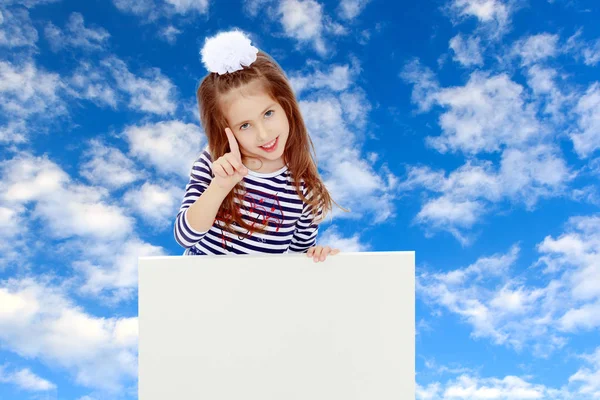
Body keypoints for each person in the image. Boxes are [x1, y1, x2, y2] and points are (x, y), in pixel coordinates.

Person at [174, 29, 348, 263]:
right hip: (201, 289)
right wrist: (221, 185)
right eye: (245, 125)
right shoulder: (214, 161)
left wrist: (315, 256)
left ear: (286, 106)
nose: (263, 134)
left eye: (268, 113)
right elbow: (185, 236)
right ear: (225, 131)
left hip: (257, 295)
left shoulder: (305, 187)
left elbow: (296, 260)